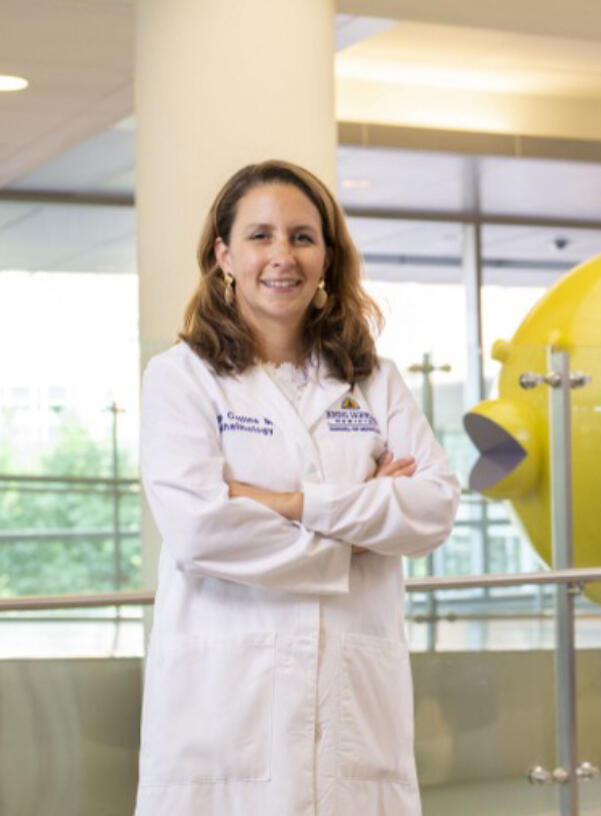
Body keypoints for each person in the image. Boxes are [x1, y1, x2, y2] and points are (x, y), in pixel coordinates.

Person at [135, 159, 460, 816]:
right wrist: (362, 534)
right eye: (260, 236)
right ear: (224, 254)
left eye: (303, 237)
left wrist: (284, 504)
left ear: (327, 257)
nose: (282, 255)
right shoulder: (182, 379)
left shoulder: (374, 379)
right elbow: (202, 531)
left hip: (354, 708)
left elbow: (433, 507)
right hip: (225, 710)